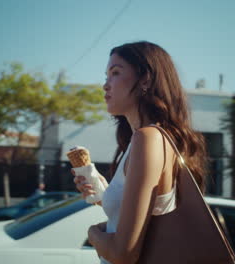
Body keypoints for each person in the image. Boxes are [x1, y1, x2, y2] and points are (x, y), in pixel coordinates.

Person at [73, 41, 208, 264]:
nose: (106, 85)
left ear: (145, 79)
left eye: (115, 73)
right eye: (106, 76)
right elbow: (148, 217)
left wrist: (93, 233)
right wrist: (103, 194)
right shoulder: (142, 141)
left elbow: (123, 254)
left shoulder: (149, 139)